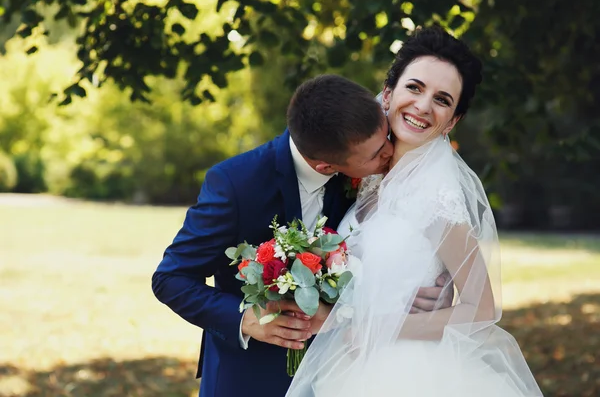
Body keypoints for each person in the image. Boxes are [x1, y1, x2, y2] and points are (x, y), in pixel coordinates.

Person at [151, 74, 453, 397]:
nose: (390, 152)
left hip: (341, 375)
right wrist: (244, 319)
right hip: (248, 379)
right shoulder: (235, 184)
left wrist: (441, 282)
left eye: (387, 138)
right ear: (326, 166)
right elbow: (171, 279)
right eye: (376, 153)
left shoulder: (364, 170)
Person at [286, 26, 543, 396]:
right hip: (346, 366)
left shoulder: (437, 196)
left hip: (409, 373)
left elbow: (482, 307)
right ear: (388, 93)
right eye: (415, 87)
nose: (423, 106)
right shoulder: (369, 171)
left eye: (442, 99)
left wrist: (386, 325)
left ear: (452, 121)